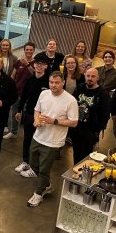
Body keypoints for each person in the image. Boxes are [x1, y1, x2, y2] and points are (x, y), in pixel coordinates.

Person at [24, 72, 79, 207]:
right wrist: (36, 120)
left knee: (44, 169)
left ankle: (39, 193)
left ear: (63, 83)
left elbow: (74, 122)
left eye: (57, 83)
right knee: (33, 164)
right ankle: (46, 185)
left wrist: (54, 121)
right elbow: (37, 110)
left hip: (53, 142)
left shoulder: (70, 100)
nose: (53, 85)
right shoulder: (44, 94)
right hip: (38, 136)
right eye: (51, 82)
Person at [14, 53, 51, 174]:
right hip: (29, 114)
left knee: (40, 142)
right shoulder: (30, 80)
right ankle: (25, 161)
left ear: (46, 66)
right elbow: (24, 96)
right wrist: (19, 110)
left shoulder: (49, 81)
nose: (39, 66)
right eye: (37, 63)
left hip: (44, 116)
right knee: (27, 139)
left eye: (42, 64)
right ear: (34, 65)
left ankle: (36, 166)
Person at [71, 68, 111, 164]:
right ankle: (75, 170)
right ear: (85, 76)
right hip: (76, 128)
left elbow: (105, 114)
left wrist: (97, 130)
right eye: (88, 76)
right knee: (76, 153)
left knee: (85, 156)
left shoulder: (103, 94)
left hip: (90, 131)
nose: (90, 78)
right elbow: (71, 103)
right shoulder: (79, 88)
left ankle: (83, 172)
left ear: (98, 78)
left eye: (93, 76)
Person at [6, 42, 36, 140]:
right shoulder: (19, 62)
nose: (29, 51)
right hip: (18, 92)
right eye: (27, 49)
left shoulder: (36, 63)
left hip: (29, 94)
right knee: (14, 113)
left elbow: (35, 75)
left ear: (33, 51)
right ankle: (13, 132)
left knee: (28, 115)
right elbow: (12, 75)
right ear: (24, 50)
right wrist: (12, 87)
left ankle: (28, 134)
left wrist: (27, 64)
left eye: (31, 49)